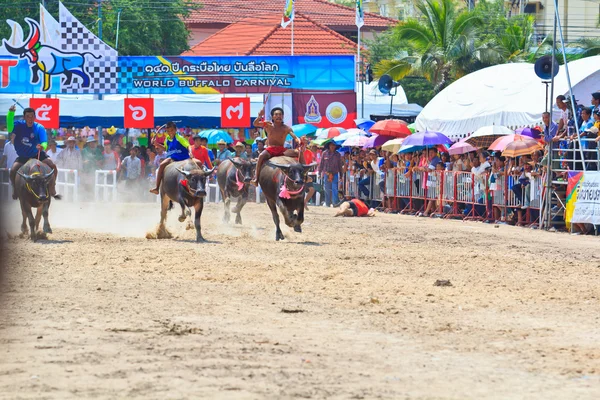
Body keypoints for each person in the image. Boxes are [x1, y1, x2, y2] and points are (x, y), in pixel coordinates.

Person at [6, 105, 59, 199]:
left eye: (32, 116)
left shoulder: (39, 127)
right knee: (13, 170)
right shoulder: (18, 125)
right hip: (23, 156)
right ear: (24, 117)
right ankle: (15, 189)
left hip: (37, 154)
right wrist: (10, 114)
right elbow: (9, 128)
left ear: (35, 117)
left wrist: (42, 146)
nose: (30, 119)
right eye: (28, 116)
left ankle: (52, 187)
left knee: (53, 166)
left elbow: (44, 141)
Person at [251, 107, 302, 186]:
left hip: (282, 150)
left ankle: (305, 175)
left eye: (280, 114)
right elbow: (255, 124)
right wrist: (259, 116)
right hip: (270, 149)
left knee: (298, 152)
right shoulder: (267, 125)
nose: (279, 116)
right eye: (276, 114)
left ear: (283, 116)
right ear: (272, 117)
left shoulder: (286, 128)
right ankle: (256, 178)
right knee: (261, 156)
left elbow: (294, 136)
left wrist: (298, 140)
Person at [150, 121, 191, 195]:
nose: (170, 132)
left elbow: (188, 145)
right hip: (172, 158)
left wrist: (190, 152)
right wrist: (156, 144)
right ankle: (157, 188)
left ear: (175, 130)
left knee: (198, 164)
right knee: (162, 165)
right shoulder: (167, 139)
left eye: (172, 130)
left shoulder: (179, 138)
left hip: (181, 158)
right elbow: (166, 148)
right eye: (168, 131)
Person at [318, 141, 343, 207]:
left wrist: (341, 174)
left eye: (334, 145)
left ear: (335, 146)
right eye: (331, 145)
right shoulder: (324, 153)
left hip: (335, 173)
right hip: (326, 173)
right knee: (327, 188)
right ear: (329, 146)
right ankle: (327, 203)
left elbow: (340, 165)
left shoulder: (338, 154)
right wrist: (319, 172)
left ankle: (335, 202)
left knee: (335, 188)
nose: (332, 146)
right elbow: (321, 163)